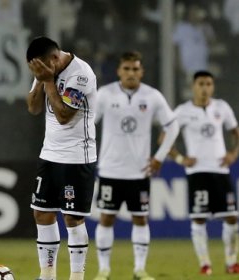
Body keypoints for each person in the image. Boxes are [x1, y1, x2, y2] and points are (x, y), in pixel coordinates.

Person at [93, 51, 179, 280]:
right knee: (106, 218)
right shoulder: (104, 94)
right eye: (127, 69)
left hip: (139, 171)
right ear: (119, 71)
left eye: (135, 69)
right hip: (110, 169)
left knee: (140, 218)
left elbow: (173, 127)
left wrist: (160, 156)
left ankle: (139, 269)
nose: (131, 73)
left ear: (141, 71)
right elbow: (88, 125)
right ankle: (104, 269)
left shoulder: (152, 97)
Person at [26, 36, 97, 280]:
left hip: (78, 156)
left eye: (43, 68)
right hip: (49, 153)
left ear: (55, 58)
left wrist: (47, 81)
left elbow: (64, 115)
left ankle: (76, 277)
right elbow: (34, 108)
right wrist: (39, 79)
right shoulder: (43, 69)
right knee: (42, 213)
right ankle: (47, 276)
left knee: (72, 218)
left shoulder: (81, 74)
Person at [167, 70, 239, 276]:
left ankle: (231, 261)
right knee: (199, 218)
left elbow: (236, 132)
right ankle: (205, 263)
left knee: (232, 217)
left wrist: (233, 154)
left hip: (220, 170)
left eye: (208, 84)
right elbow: (165, 139)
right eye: (201, 84)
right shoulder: (182, 111)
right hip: (197, 172)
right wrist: (181, 159)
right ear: (193, 86)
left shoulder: (222, 107)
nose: (205, 88)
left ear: (213, 86)